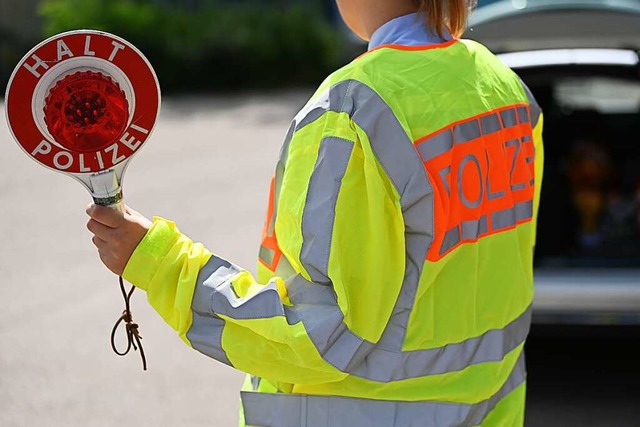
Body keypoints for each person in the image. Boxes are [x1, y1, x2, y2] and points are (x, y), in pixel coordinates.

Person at [86, 0, 544, 425]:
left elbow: (319, 334)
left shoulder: (356, 110)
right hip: (486, 408)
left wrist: (158, 260)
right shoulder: (502, 86)